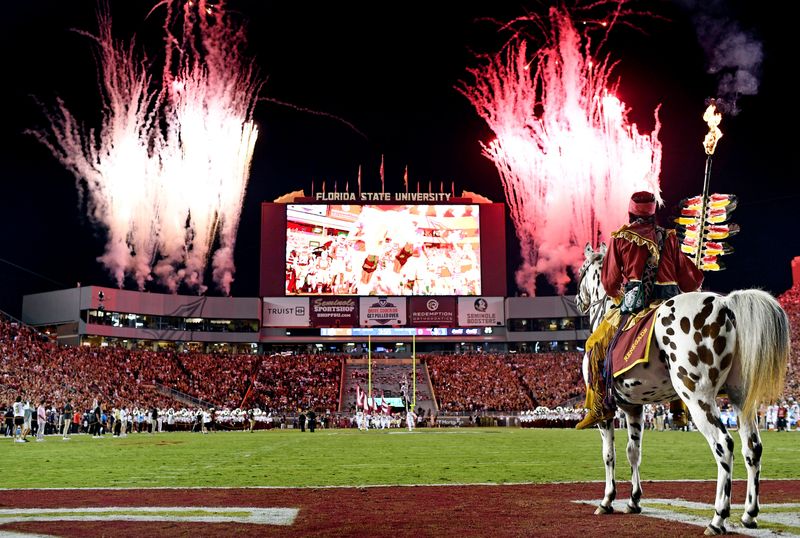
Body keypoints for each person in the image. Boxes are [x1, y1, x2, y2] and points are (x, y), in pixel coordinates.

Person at [577, 191, 704, 430]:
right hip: (671, 301)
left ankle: (599, 406)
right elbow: (690, 281)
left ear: (631, 211)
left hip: (637, 304)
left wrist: (618, 295)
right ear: (653, 212)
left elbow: (610, 283)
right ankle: (679, 407)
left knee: (595, 344)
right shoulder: (669, 237)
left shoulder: (622, 238)